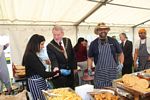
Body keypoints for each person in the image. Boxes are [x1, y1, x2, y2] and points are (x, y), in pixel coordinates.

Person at [22, 34, 59, 100]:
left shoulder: (32, 54)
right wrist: (56, 72)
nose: (43, 46)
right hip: (35, 84)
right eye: (41, 44)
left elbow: (37, 67)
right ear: (35, 44)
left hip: (38, 82)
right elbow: (43, 74)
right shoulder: (30, 56)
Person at [87, 22, 124, 88]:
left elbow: (121, 54)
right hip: (100, 74)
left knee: (113, 92)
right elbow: (90, 57)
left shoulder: (113, 41)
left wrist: (121, 64)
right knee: (100, 93)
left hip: (112, 73)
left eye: (105, 29)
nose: (103, 31)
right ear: (97, 31)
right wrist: (89, 68)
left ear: (107, 30)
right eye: (100, 29)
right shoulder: (93, 43)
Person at [47, 25, 77, 89]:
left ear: (62, 33)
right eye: (54, 35)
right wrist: (56, 68)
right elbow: (53, 59)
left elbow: (73, 54)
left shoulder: (67, 40)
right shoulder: (50, 46)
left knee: (71, 90)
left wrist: (74, 68)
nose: (56, 37)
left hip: (70, 72)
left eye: (58, 35)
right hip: (59, 74)